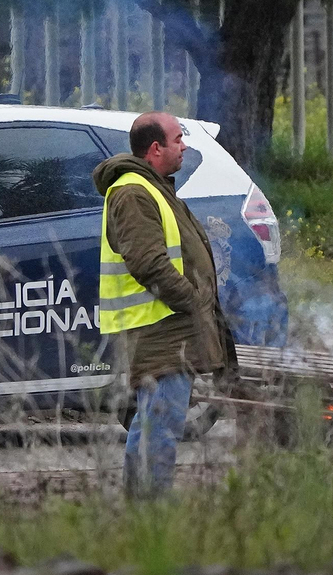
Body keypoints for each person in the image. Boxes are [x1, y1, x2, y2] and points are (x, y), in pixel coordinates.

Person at [92, 111, 236, 497]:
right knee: (161, 422)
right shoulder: (133, 192)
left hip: (165, 326)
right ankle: (150, 511)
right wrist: (191, 301)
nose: (184, 146)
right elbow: (148, 262)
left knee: (153, 420)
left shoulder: (151, 187)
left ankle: (143, 507)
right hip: (159, 328)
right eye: (177, 140)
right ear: (155, 148)